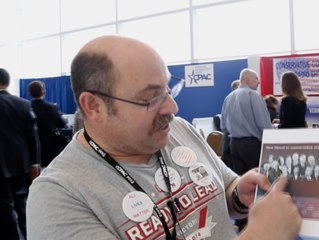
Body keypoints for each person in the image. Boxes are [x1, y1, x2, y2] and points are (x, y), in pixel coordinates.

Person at [27, 36, 301, 240]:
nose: (172, 108)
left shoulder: (179, 131)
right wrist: (262, 235)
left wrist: (239, 195)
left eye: (168, 90)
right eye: (151, 98)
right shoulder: (58, 195)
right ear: (94, 106)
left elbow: (226, 188)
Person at [221, 68, 273, 231]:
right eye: (256, 78)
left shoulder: (229, 97)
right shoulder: (253, 96)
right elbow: (264, 125)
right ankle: (263, 220)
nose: (258, 82)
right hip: (252, 146)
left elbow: (223, 125)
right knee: (259, 184)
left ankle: (243, 222)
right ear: (248, 79)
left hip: (233, 145)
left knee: (241, 186)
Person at [0, 68, 41, 240]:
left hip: (0, 168)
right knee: (23, 204)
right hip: (22, 164)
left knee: (5, 209)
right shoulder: (24, 104)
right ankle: (30, 234)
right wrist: (35, 162)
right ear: (8, 82)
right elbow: (33, 136)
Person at [28, 80, 69, 168]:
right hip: (50, 148)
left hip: (31, 149)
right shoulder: (52, 107)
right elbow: (62, 124)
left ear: (30, 93)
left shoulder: (26, 107)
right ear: (43, 92)